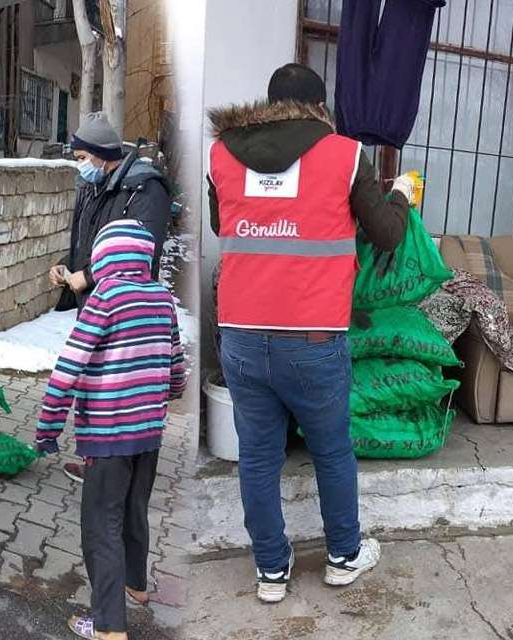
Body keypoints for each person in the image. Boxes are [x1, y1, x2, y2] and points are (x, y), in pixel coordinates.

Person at [206, 63, 411, 603]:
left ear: (267, 106)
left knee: (257, 457)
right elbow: (387, 235)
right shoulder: (344, 155)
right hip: (313, 338)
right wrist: (403, 196)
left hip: (242, 335)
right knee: (331, 452)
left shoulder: (221, 154)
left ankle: (271, 571)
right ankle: (343, 556)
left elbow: (219, 223)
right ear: (320, 108)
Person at [34, 220, 186, 640]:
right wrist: (168, 392)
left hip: (107, 436)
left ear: (103, 258)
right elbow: (176, 365)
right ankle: (136, 584)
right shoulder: (162, 297)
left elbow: (68, 369)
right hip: (149, 433)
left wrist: (48, 428)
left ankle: (107, 627)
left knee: (101, 526)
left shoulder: (104, 298)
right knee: (135, 509)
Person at [50, 112, 173, 484]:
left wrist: (83, 277)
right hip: (95, 299)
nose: (80, 166)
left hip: (126, 307)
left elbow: (141, 251)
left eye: (82, 158)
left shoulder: (145, 189)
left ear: (102, 153)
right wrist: (66, 268)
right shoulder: (96, 184)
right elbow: (86, 238)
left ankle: (116, 467)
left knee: (118, 384)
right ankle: (97, 461)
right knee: (93, 381)